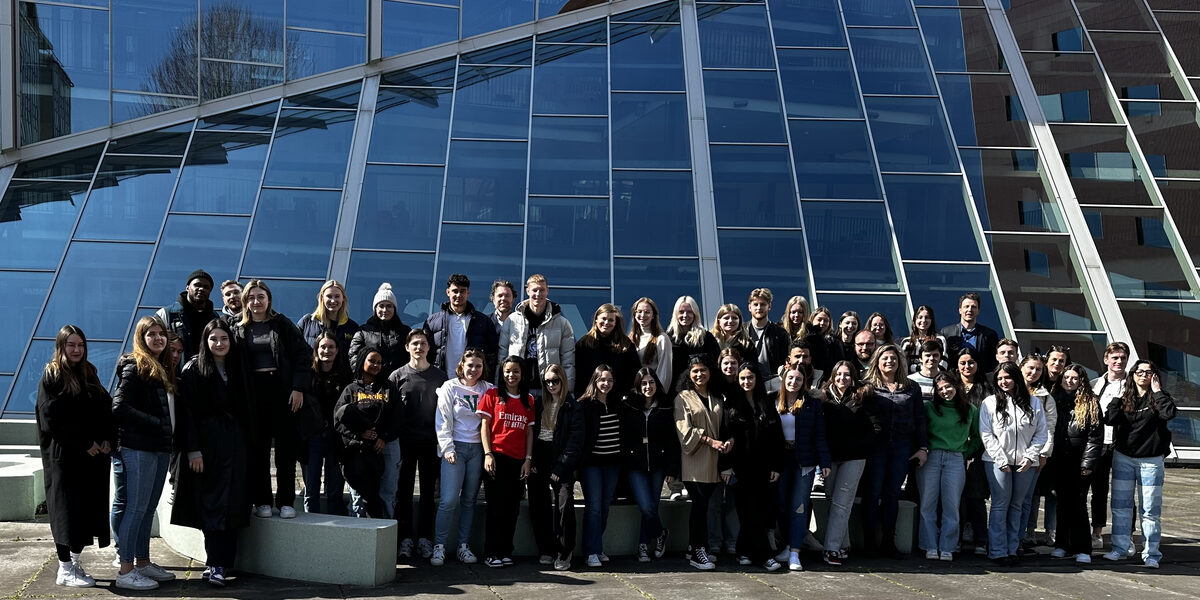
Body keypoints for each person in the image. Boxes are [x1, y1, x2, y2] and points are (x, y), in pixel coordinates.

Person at [172, 319, 251, 587]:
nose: (219, 344)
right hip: (207, 447)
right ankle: (216, 561)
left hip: (236, 446)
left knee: (233, 504)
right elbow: (188, 414)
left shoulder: (238, 367)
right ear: (205, 341)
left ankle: (221, 563)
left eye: (224, 338)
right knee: (212, 505)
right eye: (213, 339)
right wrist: (193, 450)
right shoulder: (194, 369)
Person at [37, 325, 115, 589]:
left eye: (80, 345)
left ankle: (75, 563)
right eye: (71, 345)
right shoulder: (53, 375)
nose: (76, 350)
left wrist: (106, 439)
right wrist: (84, 442)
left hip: (89, 459)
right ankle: (65, 569)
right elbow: (51, 418)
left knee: (83, 514)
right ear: (61, 346)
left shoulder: (88, 372)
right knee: (65, 514)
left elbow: (105, 406)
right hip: (65, 458)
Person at [230, 279, 313, 520]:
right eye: (252, 297)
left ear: (269, 300)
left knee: (286, 451)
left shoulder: (282, 324)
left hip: (283, 393)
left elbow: (302, 357)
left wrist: (298, 388)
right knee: (258, 450)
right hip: (253, 395)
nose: (256, 302)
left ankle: (286, 501)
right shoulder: (236, 326)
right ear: (246, 301)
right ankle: (263, 500)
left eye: (261, 297)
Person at [111, 315, 177, 590]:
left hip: (159, 447)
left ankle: (142, 562)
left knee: (148, 509)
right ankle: (126, 571)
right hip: (138, 448)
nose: (158, 338)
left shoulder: (160, 367)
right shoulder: (135, 366)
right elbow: (119, 406)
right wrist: (155, 422)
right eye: (151, 334)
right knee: (136, 509)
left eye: (161, 333)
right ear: (141, 338)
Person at [1103, 360, 1176, 569]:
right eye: (1139, 371)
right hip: (1124, 457)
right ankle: (1119, 548)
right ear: (1132, 374)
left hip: (1151, 460)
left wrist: (1158, 391)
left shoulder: (1160, 397)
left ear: (1155, 375)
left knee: (1150, 510)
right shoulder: (1125, 397)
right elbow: (1110, 419)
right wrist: (1118, 395)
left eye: (1148, 372)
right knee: (1120, 506)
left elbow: (1168, 414)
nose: (1143, 375)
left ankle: (1151, 554)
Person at [860, 344, 927, 558]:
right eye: (885, 358)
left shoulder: (911, 387)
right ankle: (870, 542)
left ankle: (889, 541)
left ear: (900, 362)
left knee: (892, 494)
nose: (889, 362)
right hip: (875, 448)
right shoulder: (868, 386)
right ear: (877, 362)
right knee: (873, 493)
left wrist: (923, 447)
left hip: (901, 447)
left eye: (893, 358)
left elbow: (920, 419)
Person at [980, 361, 1047, 566]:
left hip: (1025, 464)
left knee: (1017, 505)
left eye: (1007, 377)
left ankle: (1012, 547)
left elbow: (1041, 433)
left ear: (1016, 378)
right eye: (999, 379)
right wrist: (1000, 459)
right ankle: (998, 550)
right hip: (997, 462)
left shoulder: (1034, 403)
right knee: (1000, 505)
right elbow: (986, 434)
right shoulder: (989, 403)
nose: (1003, 382)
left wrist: (1029, 457)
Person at [431, 348, 492, 566]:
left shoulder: (488, 389)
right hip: (455, 448)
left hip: (477, 449)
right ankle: (439, 545)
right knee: (448, 500)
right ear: (461, 366)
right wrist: (447, 447)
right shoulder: (450, 387)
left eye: (478, 366)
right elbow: (443, 419)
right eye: (470, 365)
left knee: (469, 500)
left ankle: (463, 546)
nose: (473, 370)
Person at [390, 329, 448, 559]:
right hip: (404, 442)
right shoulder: (397, 376)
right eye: (414, 343)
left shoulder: (440, 377)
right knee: (402, 491)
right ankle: (404, 539)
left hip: (430, 442)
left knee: (428, 492)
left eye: (423, 343)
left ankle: (425, 538)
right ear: (407, 347)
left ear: (429, 347)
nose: (419, 347)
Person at [724, 363, 784, 572]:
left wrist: (776, 466)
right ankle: (765, 556)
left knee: (757, 512)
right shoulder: (731, 404)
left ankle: (744, 551)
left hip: (763, 467)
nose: (746, 382)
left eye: (750, 377)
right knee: (749, 511)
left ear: (757, 379)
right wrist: (726, 467)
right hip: (740, 468)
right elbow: (725, 436)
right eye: (742, 378)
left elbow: (777, 437)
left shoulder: (766, 403)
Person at [477, 356, 536, 567]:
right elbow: (484, 426)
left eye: (516, 371)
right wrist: (488, 453)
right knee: (496, 507)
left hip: (518, 460)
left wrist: (528, 459)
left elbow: (529, 432)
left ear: (522, 374)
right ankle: (492, 553)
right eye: (508, 371)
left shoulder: (528, 399)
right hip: (496, 457)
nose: (511, 375)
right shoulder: (492, 394)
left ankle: (505, 551)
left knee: (512, 508)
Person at [675, 355, 730, 571]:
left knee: (705, 506)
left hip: (714, 461)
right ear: (689, 373)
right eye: (695, 370)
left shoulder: (717, 396)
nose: (699, 374)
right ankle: (699, 551)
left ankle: (694, 547)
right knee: (699, 506)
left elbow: (724, 425)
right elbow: (684, 431)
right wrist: (710, 441)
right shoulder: (682, 398)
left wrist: (725, 442)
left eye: (703, 370)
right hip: (693, 461)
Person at [819, 360, 877, 566]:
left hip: (854, 458)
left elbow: (874, 428)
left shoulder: (862, 398)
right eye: (838, 375)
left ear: (853, 378)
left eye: (847, 375)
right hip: (830, 459)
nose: (842, 379)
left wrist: (859, 446)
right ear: (832, 377)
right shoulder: (823, 399)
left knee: (841, 502)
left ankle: (831, 549)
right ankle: (844, 544)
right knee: (832, 499)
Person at [918, 373, 980, 562]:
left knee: (951, 505)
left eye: (948, 386)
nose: (945, 391)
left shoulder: (970, 410)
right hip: (931, 457)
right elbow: (920, 433)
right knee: (927, 504)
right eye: (940, 388)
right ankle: (929, 545)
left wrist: (965, 453)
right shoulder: (929, 408)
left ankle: (948, 546)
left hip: (955, 458)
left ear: (956, 386)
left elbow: (977, 436)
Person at [620, 367, 680, 563]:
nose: (648, 386)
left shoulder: (665, 406)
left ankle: (643, 546)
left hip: (658, 464)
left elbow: (672, 440)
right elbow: (623, 436)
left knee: (652, 506)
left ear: (657, 383)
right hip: (635, 465)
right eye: (644, 383)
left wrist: (672, 469)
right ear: (638, 385)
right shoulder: (629, 406)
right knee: (646, 507)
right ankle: (661, 534)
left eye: (651, 382)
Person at [528, 364, 584, 571]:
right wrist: (532, 461)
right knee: (538, 504)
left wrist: (560, 468)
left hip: (561, 459)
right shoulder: (538, 404)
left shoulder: (572, 405)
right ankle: (546, 549)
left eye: (555, 381)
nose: (551, 385)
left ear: (563, 381)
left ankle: (564, 551)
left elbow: (575, 441)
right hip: (539, 456)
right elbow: (531, 434)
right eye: (547, 381)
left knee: (564, 505)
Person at [334, 349, 398, 519]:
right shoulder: (351, 389)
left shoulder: (388, 387)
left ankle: (383, 531)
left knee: (383, 493)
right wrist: (359, 434)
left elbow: (397, 417)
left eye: (379, 362)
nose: (376, 365)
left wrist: (383, 437)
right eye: (372, 361)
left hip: (380, 450)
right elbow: (338, 420)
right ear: (362, 362)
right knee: (359, 496)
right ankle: (358, 534)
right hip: (356, 452)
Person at [777, 365, 830, 571]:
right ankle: (787, 544)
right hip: (780, 461)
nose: (793, 382)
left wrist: (824, 462)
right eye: (790, 378)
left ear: (804, 383)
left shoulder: (812, 404)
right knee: (781, 505)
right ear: (784, 379)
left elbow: (820, 435)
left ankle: (795, 553)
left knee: (799, 506)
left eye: (798, 379)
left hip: (804, 460)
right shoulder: (773, 399)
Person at [1049, 364, 1103, 564]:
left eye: (1074, 378)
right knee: (1062, 504)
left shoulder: (1090, 403)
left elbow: (1095, 437)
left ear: (1081, 381)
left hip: (1079, 461)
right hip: (1058, 460)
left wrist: (1087, 463)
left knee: (1078, 504)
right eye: (1066, 377)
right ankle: (1062, 545)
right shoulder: (1053, 400)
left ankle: (1083, 548)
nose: (1069, 381)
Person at [498, 274, 576, 392]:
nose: (538, 294)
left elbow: (568, 360)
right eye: (535, 290)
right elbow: (502, 356)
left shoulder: (562, 323)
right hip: (518, 388)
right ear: (528, 291)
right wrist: (499, 386)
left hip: (549, 389)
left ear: (547, 291)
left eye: (542, 290)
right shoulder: (512, 320)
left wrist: (567, 390)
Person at [578, 365, 623, 567]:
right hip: (592, 465)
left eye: (610, 380)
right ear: (595, 381)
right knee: (594, 508)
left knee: (605, 507)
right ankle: (591, 552)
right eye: (602, 380)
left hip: (612, 464)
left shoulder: (618, 403)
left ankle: (597, 546)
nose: (606, 384)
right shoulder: (585, 404)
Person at [304, 332, 351, 516]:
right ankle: (310, 528)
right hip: (313, 436)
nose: (327, 351)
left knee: (335, 489)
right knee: (311, 490)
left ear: (337, 350)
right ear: (316, 350)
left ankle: (335, 534)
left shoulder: (345, 376)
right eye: (323, 347)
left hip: (336, 437)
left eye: (331, 347)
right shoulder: (307, 375)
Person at [1089, 341, 1128, 550]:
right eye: (1115, 357)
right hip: (1100, 444)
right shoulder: (1095, 384)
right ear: (1106, 360)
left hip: (1123, 445)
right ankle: (1097, 533)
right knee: (1099, 491)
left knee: (1125, 491)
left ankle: (1126, 535)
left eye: (1122, 358)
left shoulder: (1132, 385)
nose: (1119, 362)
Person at [954, 348, 991, 555]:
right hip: (955, 449)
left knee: (976, 497)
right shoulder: (952, 387)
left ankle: (981, 540)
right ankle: (956, 538)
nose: (967, 367)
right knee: (955, 498)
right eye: (963, 363)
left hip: (978, 450)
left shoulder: (986, 389)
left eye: (971, 362)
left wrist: (973, 448)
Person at [425, 274, 499, 376]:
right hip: (441, 380)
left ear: (468, 293)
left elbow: (492, 356)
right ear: (448, 292)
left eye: (462, 291)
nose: (459, 295)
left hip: (472, 383)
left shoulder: (483, 322)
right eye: (455, 291)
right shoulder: (432, 321)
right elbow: (426, 353)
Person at [1020, 353, 1057, 549]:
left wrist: (1043, 454)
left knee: (1027, 498)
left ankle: (1024, 535)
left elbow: (1049, 429)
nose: (1034, 372)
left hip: (1033, 455)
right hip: (1009, 453)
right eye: (1030, 368)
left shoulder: (1045, 397)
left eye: (1039, 369)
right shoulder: (1007, 389)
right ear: (1021, 368)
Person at [574, 304, 641, 398]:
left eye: (611, 320)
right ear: (596, 319)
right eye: (603, 318)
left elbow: (634, 374)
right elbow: (578, 376)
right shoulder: (584, 344)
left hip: (619, 402)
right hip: (590, 401)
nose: (606, 322)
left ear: (615, 323)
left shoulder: (626, 344)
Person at [350, 283, 412, 382]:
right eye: (381, 306)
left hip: (398, 385)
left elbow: (410, 358)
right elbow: (354, 357)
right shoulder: (363, 331)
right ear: (375, 309)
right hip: (371, 385)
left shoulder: (405, 332)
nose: (385, 310)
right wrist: (364, 378)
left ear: (394, 309)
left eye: (389, 306)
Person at [156, 269, 220, 361]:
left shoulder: (215, 318)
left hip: (206, 372)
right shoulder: (166, 314)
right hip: (174, 372)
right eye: (197, 285)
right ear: (187, 287)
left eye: (206, 287)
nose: (201, 289)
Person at [666, 295, 720, 393]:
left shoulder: (705, 338)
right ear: (676, 314)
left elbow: (715, 365)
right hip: (674, 393)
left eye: (689, 312)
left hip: (702, 392)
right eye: (681, 312)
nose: (685, 315)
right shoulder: (668, 338)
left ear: (695, 314)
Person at [297, 280, 360, 361]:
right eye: (329, 296)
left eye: (337, 296)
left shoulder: (352, 327)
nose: (333, 300)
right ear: (322, 298)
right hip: (310, 373)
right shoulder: (307, 322)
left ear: (343, 298)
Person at [941, 292, 1000, 374]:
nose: (969, 310)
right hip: (954, 380)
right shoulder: (947, 333)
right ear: (960, 310)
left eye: (973, 307)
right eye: (966, 306)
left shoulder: (989, 335)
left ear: (978, 311)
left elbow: (993, 363)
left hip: (980, 381)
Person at [744, 288, 790, 380]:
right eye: (755, 304)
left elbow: (786, 360)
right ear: (749, 307)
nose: (759, 308)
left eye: (763, 304)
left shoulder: (780, 333)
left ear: (769, 306)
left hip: (774, 381)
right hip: (749, 381)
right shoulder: (742, 331)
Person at [630, 297, 673, 391]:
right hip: (635, 394)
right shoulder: (630, 339)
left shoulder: (661, 339)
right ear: (634, 314)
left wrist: (659, 395)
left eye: (647, 312)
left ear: (653, 315)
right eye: (639, 311)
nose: (642, 315)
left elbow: (665, 372)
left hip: (652, 394)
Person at [798, 306, 843, 383]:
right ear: (812, 319)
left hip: (826, 380)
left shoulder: (834, 342)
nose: (822, 323)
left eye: (826, 321)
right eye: (819, 320)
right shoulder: (804, 338)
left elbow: (839, 364)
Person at [900, 306, 946, 372]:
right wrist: (926, 368)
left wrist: (917, 368)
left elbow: (943, 365)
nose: (923, 320)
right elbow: (903, 365)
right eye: (920, 317)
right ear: (915, 320)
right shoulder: (907, 342)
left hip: (934, 379)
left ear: (931, 320)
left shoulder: (939, 340)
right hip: (911, 380)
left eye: (927, 317)